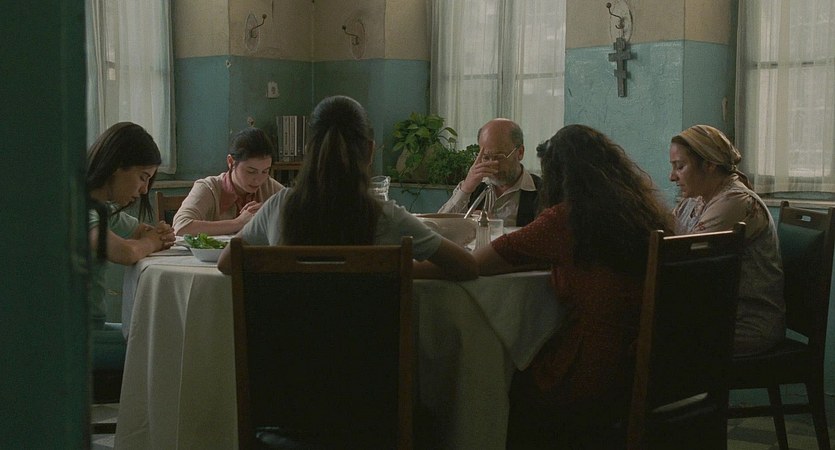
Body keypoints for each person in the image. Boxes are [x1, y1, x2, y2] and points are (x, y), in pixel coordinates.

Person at [472, 124, 675, 447]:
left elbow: (476, 263)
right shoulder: (640, 212)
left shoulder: (566, 219)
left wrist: (411, 265)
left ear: (558, 176)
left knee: (498, 380)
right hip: (649, 363)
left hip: (590, 370)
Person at [217, 96, 477, 281]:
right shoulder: (386, 216)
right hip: (369, 345)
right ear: (370, 151)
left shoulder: (278, 206)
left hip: (288, 344)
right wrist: (398, 268)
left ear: (308, 151)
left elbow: (227, 262)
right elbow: (467, 267)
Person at [669, 124, 785, 356]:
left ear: (709, 164)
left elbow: (684, 262)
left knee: (653, 340)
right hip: (718, 316)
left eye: (680, 167)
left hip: (746, 324)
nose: (672, 177)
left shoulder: (735, 201)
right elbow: (666, 237)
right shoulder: (695, 199)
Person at [87, 122, 176, 331]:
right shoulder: (81, 208)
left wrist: (159, 234)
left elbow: (142, 231)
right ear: (117, 166)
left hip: (91, 327)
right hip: (79, 335)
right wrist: (152, 242)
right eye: (143, 177)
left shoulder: (104, 209)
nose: (144, 190)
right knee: (157, 341)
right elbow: (124, 252)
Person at [173, 127, 284, 236]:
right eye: (251, 171)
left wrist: (271, 213)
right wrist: (238, 223)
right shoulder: (209, 188)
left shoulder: (269, 186)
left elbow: (294, 213)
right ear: (231, 162)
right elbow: (181, 227)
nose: (258, 180)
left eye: (265, 171)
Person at [438, 118, 541, 227]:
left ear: (520, 152)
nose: (492, 165)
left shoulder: (541, 192)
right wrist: (466, 189)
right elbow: (439, 227)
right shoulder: (475, 187)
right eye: (486, 157)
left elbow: (544, 235)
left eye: (499, 157)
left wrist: (495, 226)